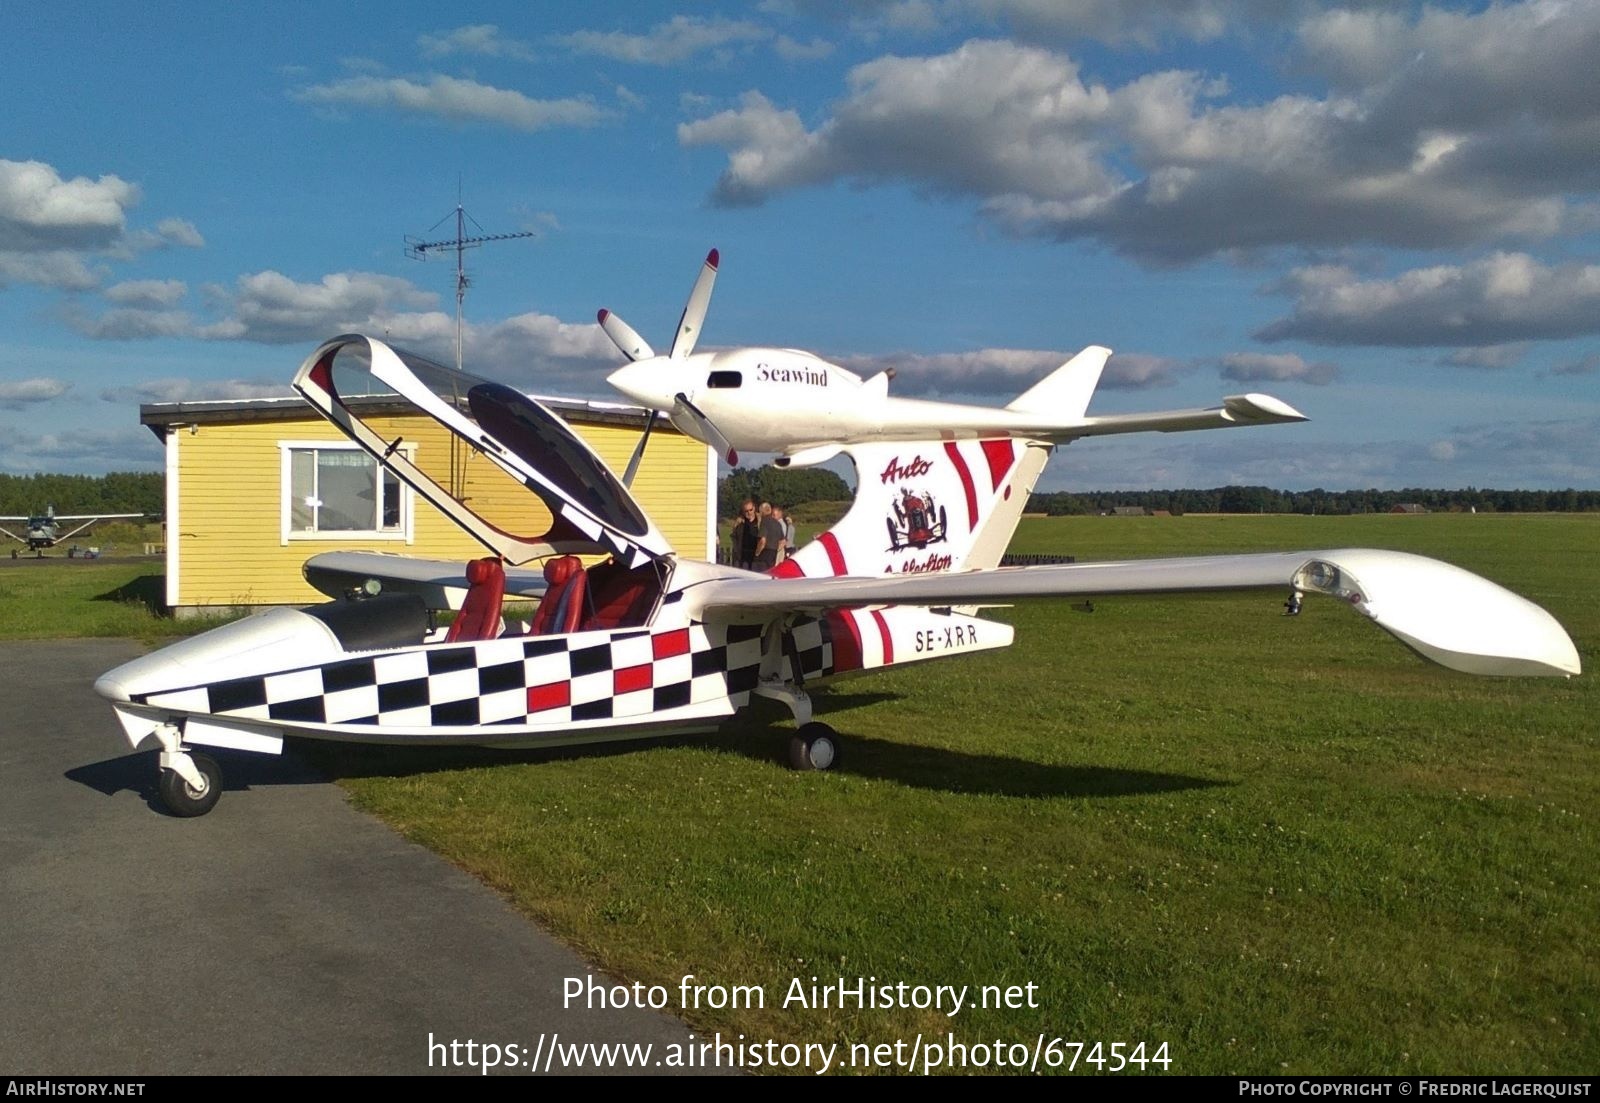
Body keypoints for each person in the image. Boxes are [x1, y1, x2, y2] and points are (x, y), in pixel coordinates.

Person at [754, 501, 785, 571]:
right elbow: (783, 541)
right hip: (773, 552)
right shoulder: (777, 523)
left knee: (762, 574)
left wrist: (757, 553)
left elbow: (763, 540)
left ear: (762, 511)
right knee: (770, 573)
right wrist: (777, 549)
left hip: (765, 552)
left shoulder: (764, 521)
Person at [730, 500, 760, 570]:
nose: (749, 513)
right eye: (746, 511)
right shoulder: (739, 523)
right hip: (742, 554)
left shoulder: (760, 521)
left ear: (754, 508)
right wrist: (736, 550)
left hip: (756, 555)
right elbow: (734, 536)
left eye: (750, 510)